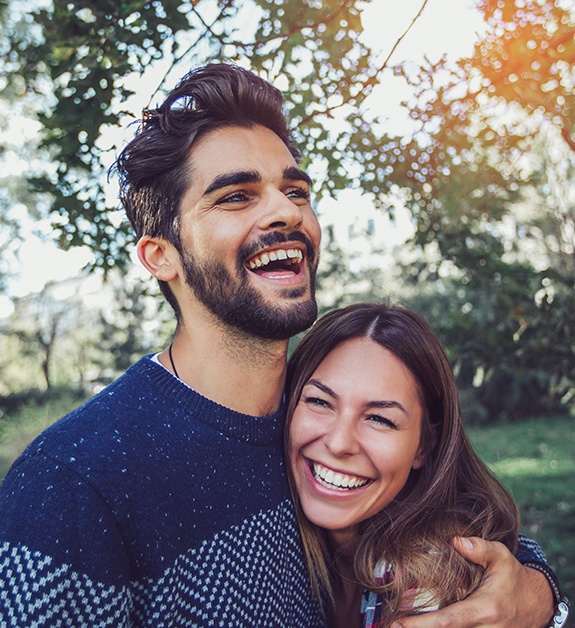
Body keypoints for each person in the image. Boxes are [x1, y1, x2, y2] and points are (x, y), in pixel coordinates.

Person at [0, 63, 563, 627]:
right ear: (160, 256)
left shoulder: (318, 419)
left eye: (295, 191)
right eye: (236, 197)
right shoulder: (72, 481)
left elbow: (453, 513)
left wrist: (536, 593)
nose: (287, 211)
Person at [285, 302, 569, 628]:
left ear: (424, 445)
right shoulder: (269, 523)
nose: (338, 443)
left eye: (379, 419)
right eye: (319, 401)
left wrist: (541, 597)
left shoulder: (434, 590)